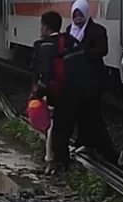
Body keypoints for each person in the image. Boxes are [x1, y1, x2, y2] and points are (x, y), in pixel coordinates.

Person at [66, 0, 123, 166]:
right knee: (84, 113)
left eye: (80, 15)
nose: (78, 18)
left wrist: (83, 53)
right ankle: (87, 144)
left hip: (93, 79)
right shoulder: (69, 31)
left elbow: (102, 50)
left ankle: (109, 153)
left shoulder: (97, 30)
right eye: (75, 15)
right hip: (76, 80)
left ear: (87, 14)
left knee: (92, 114)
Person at [32, 10, 87, 174]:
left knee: (55, 130)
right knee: (64, 128)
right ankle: (59, 163)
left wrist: (37, 95)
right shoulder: (71, 40)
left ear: (45, 27)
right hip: (75, 91)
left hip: (56, 94)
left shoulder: (44, 46)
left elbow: (44, 74)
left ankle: (56, 164)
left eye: (41, 25)